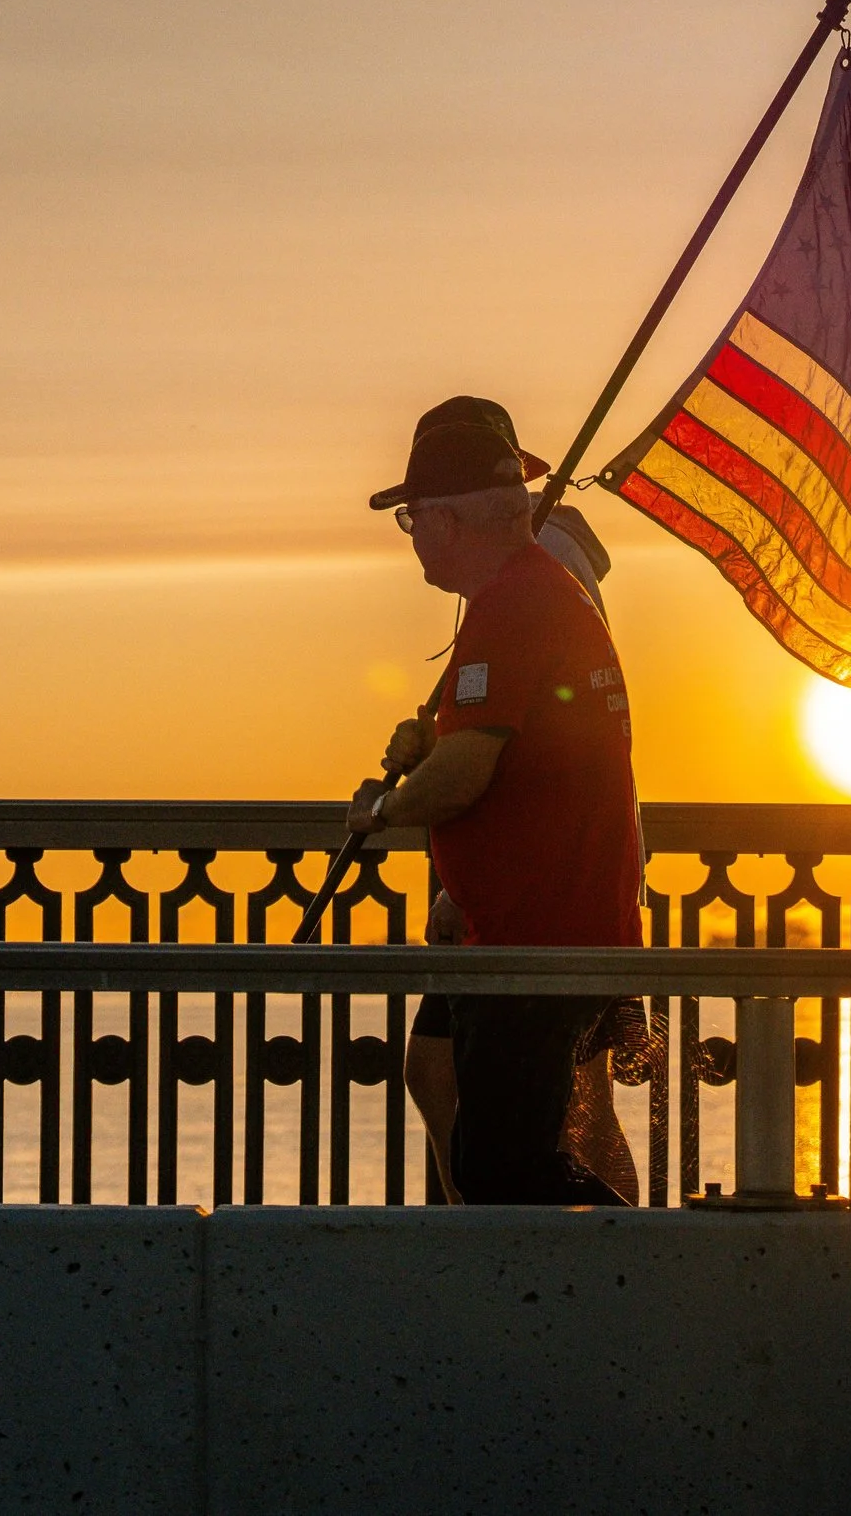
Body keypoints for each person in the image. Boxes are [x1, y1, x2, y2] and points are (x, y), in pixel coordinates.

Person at [348, 400, 644, 1205]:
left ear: (449, 521)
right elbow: (496, 747)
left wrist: (383, 810)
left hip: (539, 938)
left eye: (413, 518)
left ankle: (648, 1284)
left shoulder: (516, 606)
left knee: (510, 1167)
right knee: (500, 1153)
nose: (411, 535)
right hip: (522, 928)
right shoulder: (517, 599)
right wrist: (431, 746)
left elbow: (468, 775)